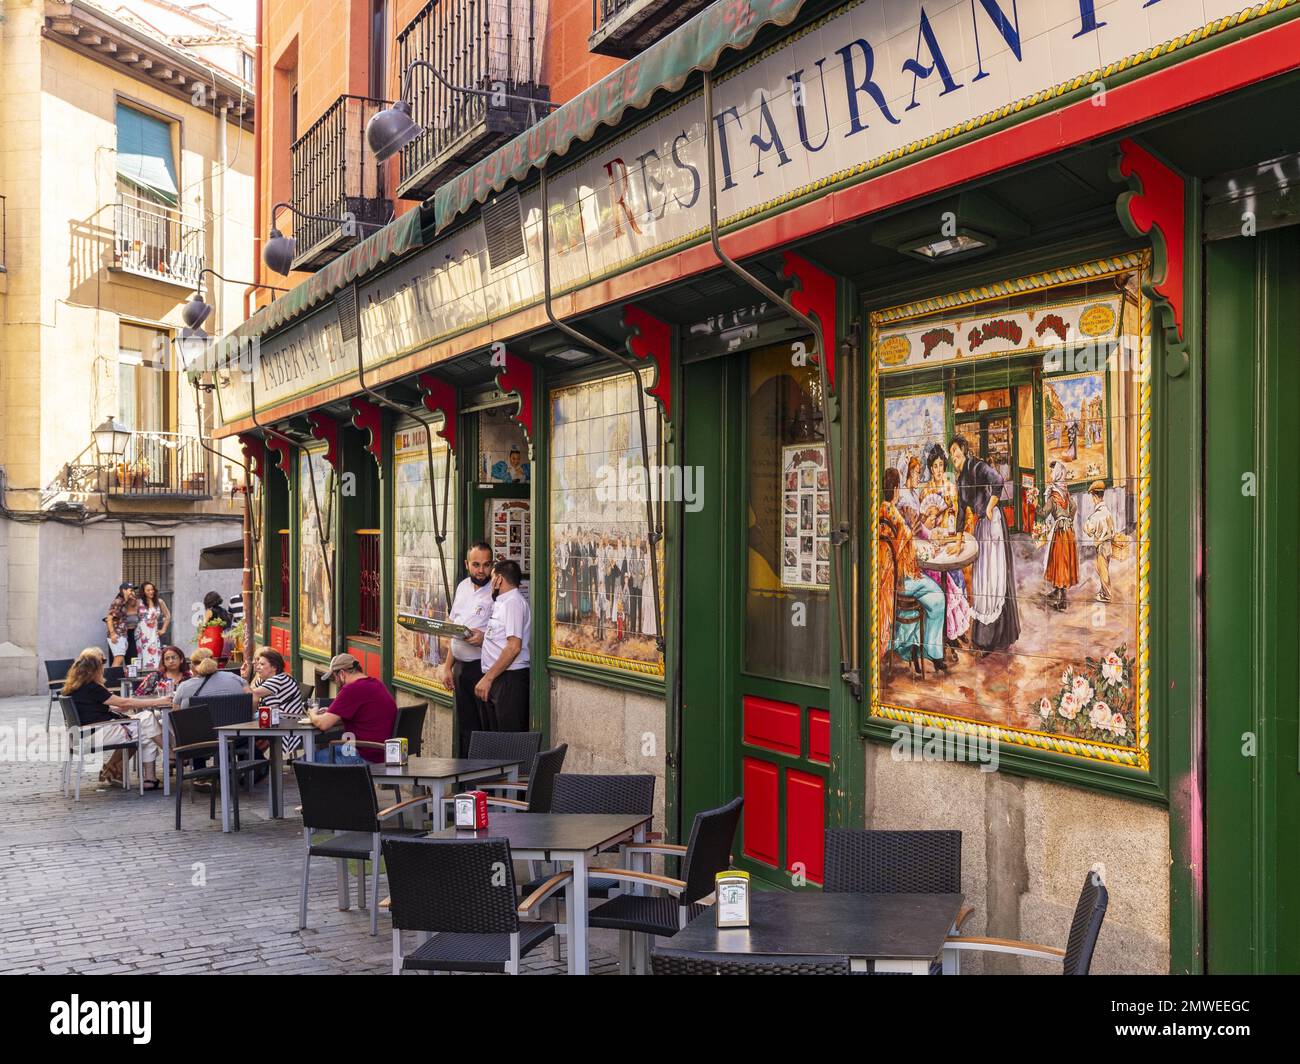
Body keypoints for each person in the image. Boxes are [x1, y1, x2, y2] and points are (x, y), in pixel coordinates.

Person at [950, 434, 1021, 653]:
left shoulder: (977, 466)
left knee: (994, 578)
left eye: (956, 452)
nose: (954, 457)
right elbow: (961, 513)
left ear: (964, 451)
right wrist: (958, 540)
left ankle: (997, 637)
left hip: (993, 523)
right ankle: (983, 638)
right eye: (951, 454)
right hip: (982, 526)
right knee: (982, 581)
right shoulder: (961, 480)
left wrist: (990, 507)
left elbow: (998, 481)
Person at [63, 647, 170, 788]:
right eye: (101, 665)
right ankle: (169, 755)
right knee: (147, 721)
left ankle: (121, 772)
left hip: (82, 735)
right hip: (95, 734)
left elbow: (96, 707)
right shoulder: (92, 687)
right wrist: (159, 701)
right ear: (94, 670)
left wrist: (121, 706)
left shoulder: (73, 688)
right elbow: (124, 702)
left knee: (145, 729)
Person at [879, 469, 947, 675]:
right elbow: (908, 552)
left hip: (885, 579)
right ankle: (932, 654)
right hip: (899, 580)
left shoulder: (880, 512)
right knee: (938, 596)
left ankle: (914, 648)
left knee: (929, 599)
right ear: (896, 489)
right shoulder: (895, 517)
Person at [438, 542, 495, 757]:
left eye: (486, 565)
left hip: (482, 669)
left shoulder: (496, 592)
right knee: (465, 727)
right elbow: (455, 629)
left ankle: (481, 783)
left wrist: (484, 638)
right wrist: (447, 666)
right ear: (467, 564)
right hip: (460, 667)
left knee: (482, 729)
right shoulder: (462, 587)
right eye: (476, 565)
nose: (481, 571)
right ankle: (466, 784)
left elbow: (509, 636)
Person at [919, 444, 972, 647]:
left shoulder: (951, 487)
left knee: (957, 577)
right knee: (944, 582)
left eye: (941, 465)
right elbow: (922, 525)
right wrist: (929, 521)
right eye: (935, 466)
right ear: (930, 468)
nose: (938, 469)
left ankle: (958, 628)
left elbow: (959, 514)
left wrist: (951, 511)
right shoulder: (926, 492)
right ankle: (947, 634)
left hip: (949, 539)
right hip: (935, 543)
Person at [474, 560, 531, 732]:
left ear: (499, 579)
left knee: (508, 740)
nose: (491, 583)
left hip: (509, 680)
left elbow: (514, 646)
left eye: (492, 578)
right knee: (495, 738)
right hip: (499, 677)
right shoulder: (503, 602)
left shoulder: (513, 602)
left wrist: (488, 678)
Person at [309, 653, 397, 764]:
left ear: (342, 674)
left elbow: (323, 724)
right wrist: (334, 713)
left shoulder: (351, 689)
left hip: (363, 755)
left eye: (334, 677)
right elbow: (365, 716)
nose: (335, 682)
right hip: (381, 752)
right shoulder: (376, 683)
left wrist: (312, 713)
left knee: (304, 762)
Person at [249, 647, 305, 759]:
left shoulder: (279, 680)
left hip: (286, 723)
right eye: (258, 663)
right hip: (273, 720)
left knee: (244, 737)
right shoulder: (265, 679)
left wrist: (248, 715)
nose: (258, 667)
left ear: (274, 667)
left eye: (262, 664)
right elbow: (250, 692)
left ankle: (256, 767)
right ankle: (254, 766)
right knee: (246, 737)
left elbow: (253, 694)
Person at [1040, 460, 1079, 611]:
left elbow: (1044, 513)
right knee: (1063, 561)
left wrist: (1034, 505)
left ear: (1057, 474)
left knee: (1059, 562)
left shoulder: (1054, 495)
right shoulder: (1065, 491)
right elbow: (1074, 507)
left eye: (1051, 471)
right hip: (1068, 531)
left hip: (1059, 533)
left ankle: (1063, 600)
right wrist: (1069, 519)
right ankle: (1057, 590)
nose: (1050, 474)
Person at [174, 648, 247, 706]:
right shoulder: (234, 677)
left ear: (192, 666)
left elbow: (176, 716)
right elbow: (253, 699)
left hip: (200, 724)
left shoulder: (184, 687)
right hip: (236, 724)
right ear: (214, 661)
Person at [1082, 480, 1116, 603]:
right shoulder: (1107, 512)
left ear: (1095, 496)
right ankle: (1103, 592)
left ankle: (1106, 595)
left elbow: (1088, 530)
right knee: (1103, 568)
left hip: (1101, 545)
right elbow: (1112, 530)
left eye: (1092, 496)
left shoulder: (1097, 515)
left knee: (1103, 571)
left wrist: (1086, 525)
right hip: (1108, 544)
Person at [134, 582, 171, 670]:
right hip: (141, 633)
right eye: (148, 590)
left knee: (154, 653)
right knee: (141, 654)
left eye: (152, 589)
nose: (151, 592)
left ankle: (155, 673)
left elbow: (168, 615)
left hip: (153, 632)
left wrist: (163, 629)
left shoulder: (159, 601)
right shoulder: (138, 602)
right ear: (143, 591)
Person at [105, 583, 136, 667]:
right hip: (117, 634)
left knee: (119, 659)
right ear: (124, 590)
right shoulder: (118, 601)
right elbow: (109, 618)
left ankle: (114, 678)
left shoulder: (124, 602)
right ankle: (112, 679)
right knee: (118, 659)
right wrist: (112, 634)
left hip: (121, 634)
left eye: (133, 590)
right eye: (131, 590)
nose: (133, 592)